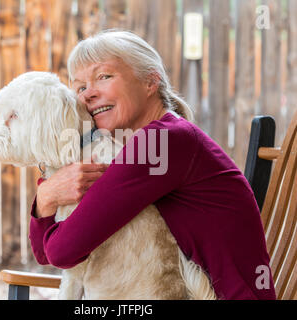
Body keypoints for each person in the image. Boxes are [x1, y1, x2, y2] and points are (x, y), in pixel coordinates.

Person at [29, 30, 276, 300]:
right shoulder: (159, 140)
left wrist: (48, 194)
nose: (88, 94)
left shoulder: (160, 142)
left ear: (150, 81)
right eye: (79, 87)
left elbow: (61, 252)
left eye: (104, 76)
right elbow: (47, 253)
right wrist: (46, 197)